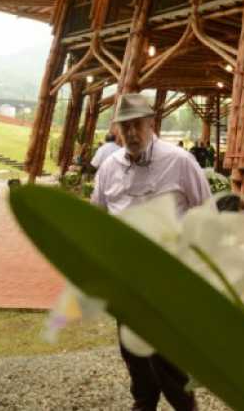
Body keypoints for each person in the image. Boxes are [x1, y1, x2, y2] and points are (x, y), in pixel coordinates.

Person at [92, 94, 211, 411]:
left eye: (137, 126)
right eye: (124, 126)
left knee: (166, 350)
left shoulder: (180, 161)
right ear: (116, 129)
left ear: (151, 124)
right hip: (125, 277)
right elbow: (97, 219)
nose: (131, 133)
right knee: (132, 348)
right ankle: (144, 401)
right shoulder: (108, 168)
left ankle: (184, 406)